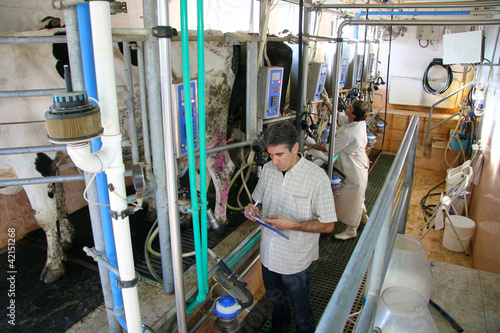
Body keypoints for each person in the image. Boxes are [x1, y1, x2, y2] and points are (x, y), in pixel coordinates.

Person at [244, 121, 336, 333]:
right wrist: (252, 209)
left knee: (302, 313)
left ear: (295, 147)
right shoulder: (268, 170)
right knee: (277, 305)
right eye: (271, 155)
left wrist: (292, 225)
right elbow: (257, 201)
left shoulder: (316, 178)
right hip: (269, 255)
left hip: (296, 260)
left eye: (279, 155)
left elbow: (329, 224)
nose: (274, 161)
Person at [322, 96, 370, 240]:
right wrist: (327, 101)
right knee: (357, 197)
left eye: (349, 108)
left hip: (354, 170)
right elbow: (339, 117)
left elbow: (330, 149)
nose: (346, 107)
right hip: (355, 165)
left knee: (352, 198)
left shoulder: (351, 133)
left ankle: (351, 230)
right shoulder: (356, 122)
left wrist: (311, 146)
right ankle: (364, 218)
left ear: (353, 115)